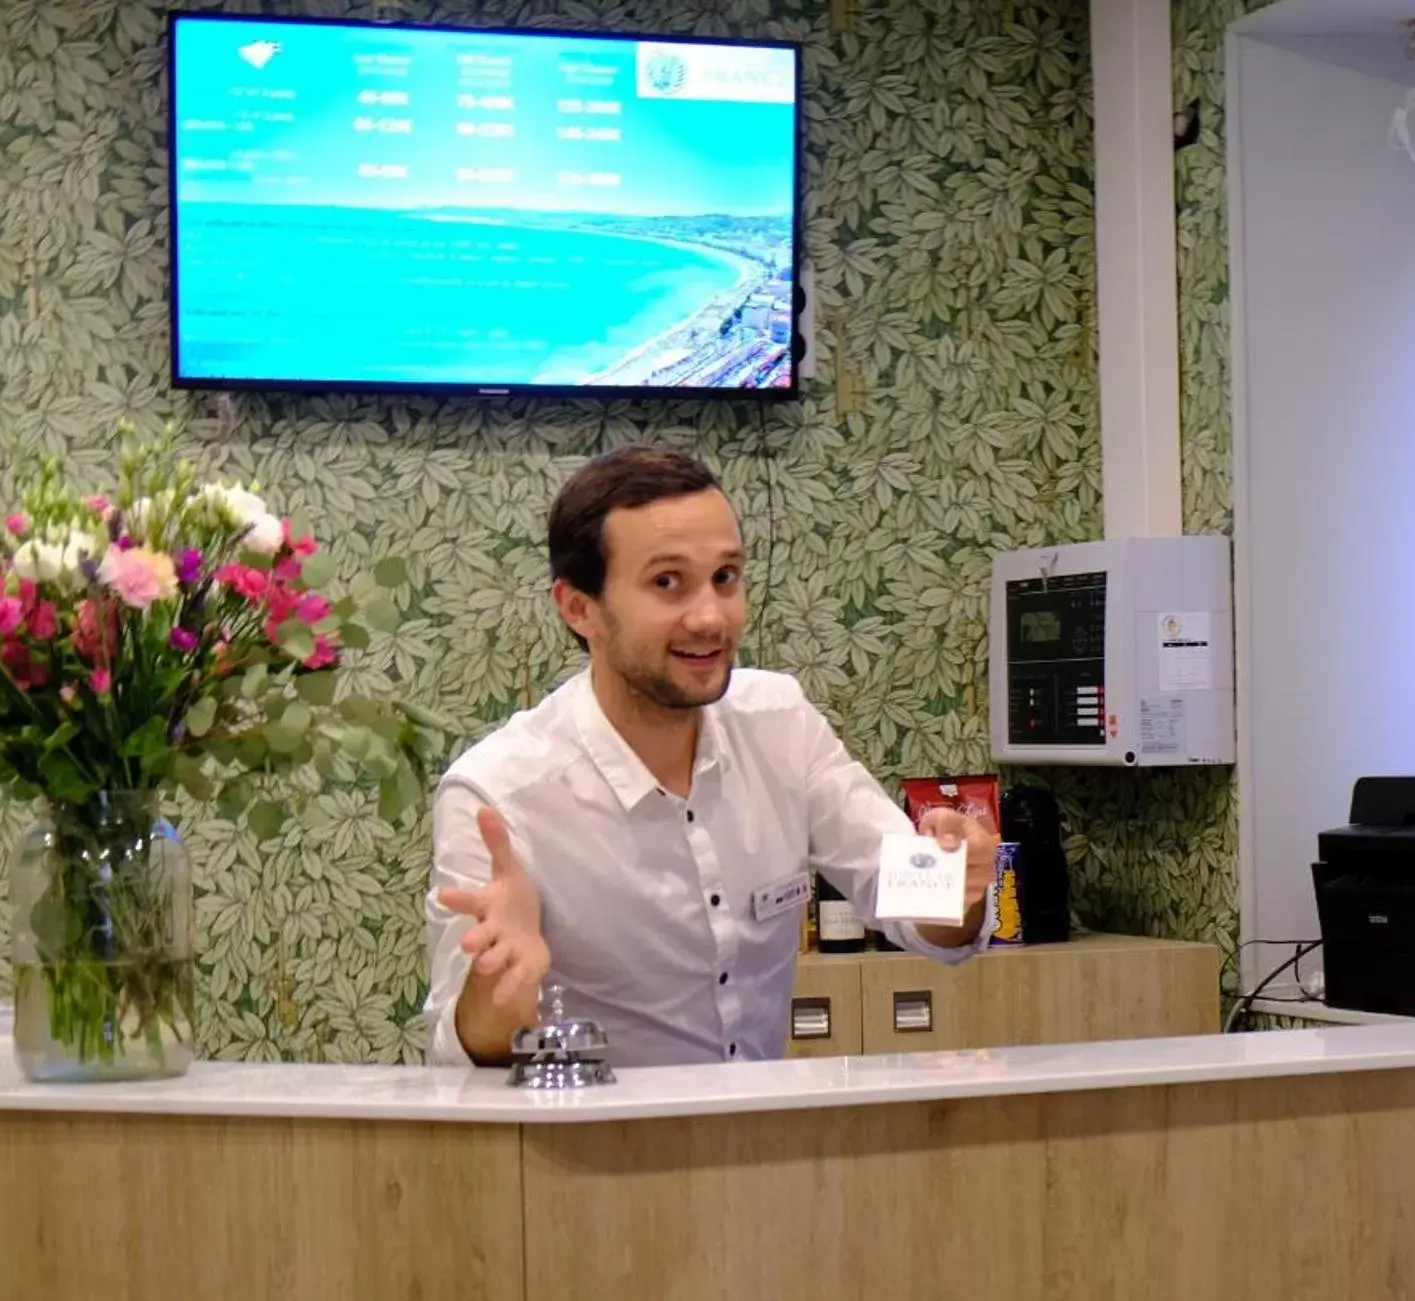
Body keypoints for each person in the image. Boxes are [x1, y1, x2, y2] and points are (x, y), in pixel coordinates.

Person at [420, 444, 999, 1068]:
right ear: (579, 608)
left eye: (725, 578)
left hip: (759, 1144)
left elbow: (916, 901)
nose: (711, 617)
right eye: (667, 583)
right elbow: (460, 1053)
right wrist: (501, 981)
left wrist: (957, 883)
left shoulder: (781, 723)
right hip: (595, 1156)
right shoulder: (497, 795)